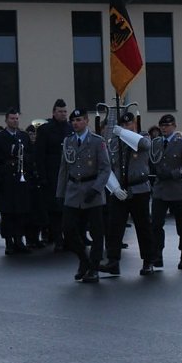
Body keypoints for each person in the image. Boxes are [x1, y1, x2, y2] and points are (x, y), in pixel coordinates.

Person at [56, 108, 111, 283]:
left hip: (92, 189)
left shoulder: (97, 141)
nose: (75, 123)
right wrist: (60, 193)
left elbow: (105, 168)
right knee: (68, 230)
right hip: (73, 190)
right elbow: (64, 169)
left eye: (79, 120)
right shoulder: (69, 141)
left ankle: (93, 268)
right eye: (73, 120)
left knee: (96, 232)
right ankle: (84, 259)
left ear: (87, 121)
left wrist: (96, 189)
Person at [100, 111, 156, 277]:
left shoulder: (142, 136)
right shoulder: (114, 142)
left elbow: (144, 145)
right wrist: (114, 188)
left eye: (129, 124)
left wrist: (123, 133)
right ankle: (113, 261)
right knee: (114, 227)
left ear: (135, 124)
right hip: (120, 189)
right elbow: (108, 166)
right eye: (123, 125)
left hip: (139, 189)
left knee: (143, 227)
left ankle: (148, 261)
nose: (126, 126)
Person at [150, 114, 182, 269]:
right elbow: (152, 161)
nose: (164, 128)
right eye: (162, 126)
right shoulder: (156, 143)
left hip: (177, 189)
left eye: (167, 125)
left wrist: (174, 173)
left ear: (174, 126)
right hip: (160, 189)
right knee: (156, 224)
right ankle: (157, 254)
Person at [0, 108, 32, 255]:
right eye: (12, 118)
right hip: (6, 179)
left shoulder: (23, 136)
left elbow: (30, 155)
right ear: (6, 120)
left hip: (20, 179)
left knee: (20, 212)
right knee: (7, 214)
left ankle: (19, 240)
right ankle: (9, 242)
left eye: (17, 118)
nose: (15, 121)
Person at [36, 98, 72, 251]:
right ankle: (57, 239)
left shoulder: (70, 128)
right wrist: (43, 177)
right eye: (60, 111)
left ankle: (69, 238)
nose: (63, 114)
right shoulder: (45, 130)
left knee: (68, 209)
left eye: (65, 111)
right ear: (54, 112)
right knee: (55, 210)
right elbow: (40, 155)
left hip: (69, 175)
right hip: (52, 175)